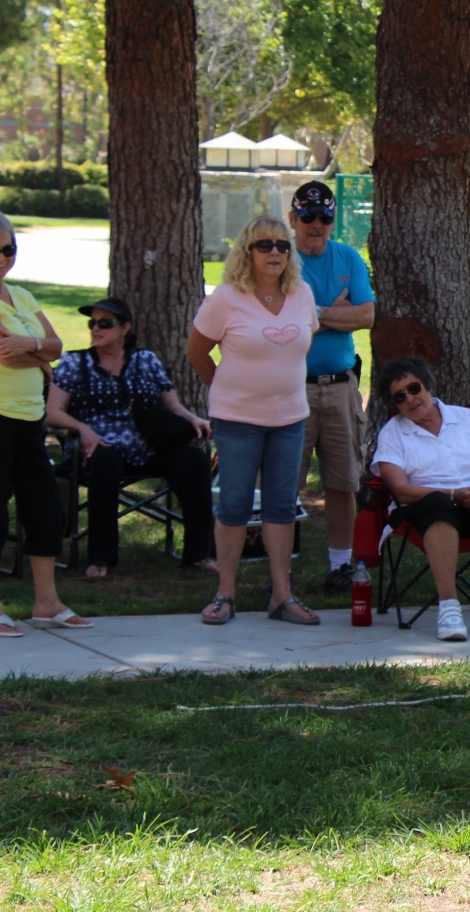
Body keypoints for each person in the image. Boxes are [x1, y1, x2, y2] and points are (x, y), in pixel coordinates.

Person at [187, 215, 320, 627]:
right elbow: (197, 353)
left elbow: (300, 346)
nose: (276, 252)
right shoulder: (226, 297)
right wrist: (228, 388)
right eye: (265, 245)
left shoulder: (301, 293)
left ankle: (282, 596)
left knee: (282, 507)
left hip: (290, 419)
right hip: (237, 421)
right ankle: (225, 594)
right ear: (247, 252)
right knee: (234, 505)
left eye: (283, 246)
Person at [47, 297, 215, 577]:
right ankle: (101, 558)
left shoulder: (146, 360)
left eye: (105, 323)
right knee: (105, 460)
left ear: (124, 328)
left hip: (146, 446)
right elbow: (52, 412)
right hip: (96, 447)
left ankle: (198, 554)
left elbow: (171, 406)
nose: (96, 329)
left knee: (194, 460)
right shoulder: (74, 363)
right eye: (93, 323)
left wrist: (193, 418)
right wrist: (84, 429)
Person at [0, 209, 91, 637]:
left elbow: (58, 345)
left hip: (30, 418)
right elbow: (0, 351)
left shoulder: (23, 296)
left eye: (8, 249)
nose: (0, 258)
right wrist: (41, 357)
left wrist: (34, 348)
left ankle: (46, 602)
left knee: (45, 508)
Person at [371, 357, 470, 641]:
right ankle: (448, 607)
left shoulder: (466, 418)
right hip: (422, 510)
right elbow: (401, 489)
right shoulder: (392, 434)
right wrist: (452, 494)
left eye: (415, 388)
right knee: (439, 505)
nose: (411, 399)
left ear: (428, 385)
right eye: (400, 396)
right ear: (394, 404)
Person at [289, 181, 375, 593]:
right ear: (293, 219)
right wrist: (335, 312)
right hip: (291, 387)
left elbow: (367, 315)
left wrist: (315, 314)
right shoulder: (281, 260)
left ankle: (341, 566)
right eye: (307, 216)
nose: (316, 224)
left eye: (324, 216)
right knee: (285, 482)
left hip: (342, 387)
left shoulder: (348, 257)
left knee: (343, 482)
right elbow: (283, 327)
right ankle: (279, 568)